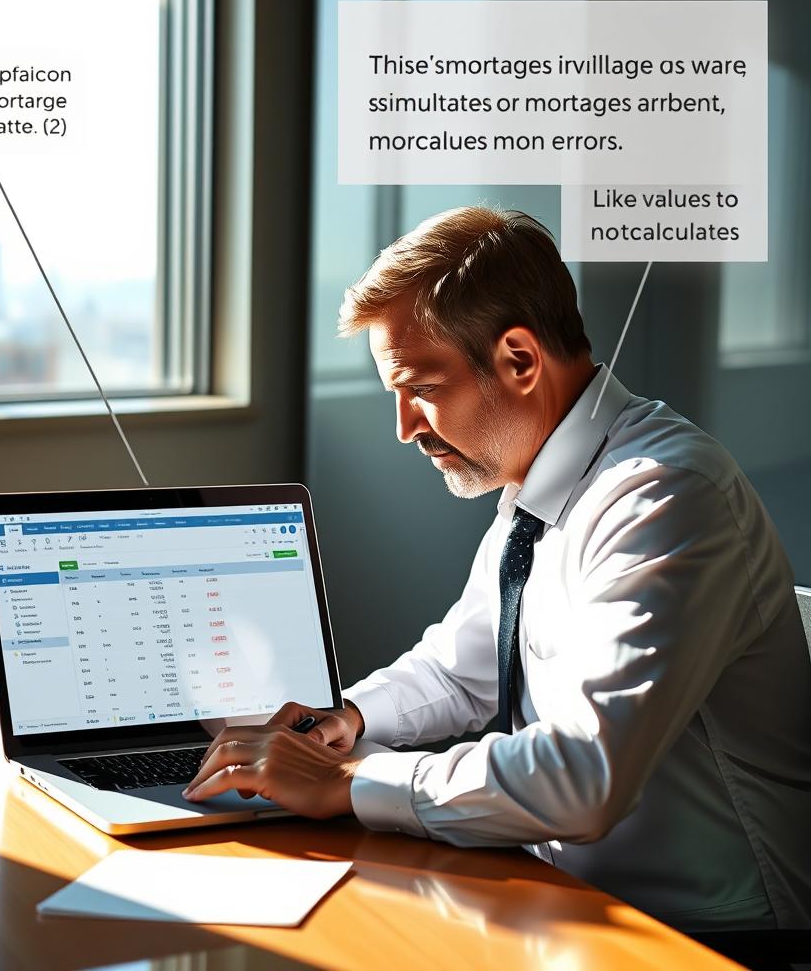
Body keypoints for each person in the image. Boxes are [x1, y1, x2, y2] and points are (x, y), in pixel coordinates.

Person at [184, 206, 811, 933]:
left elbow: (584, 777)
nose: (405, 427)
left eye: (419, 387)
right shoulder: (541, 480)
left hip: (712, 933)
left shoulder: (664, 496)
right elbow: (462, 668)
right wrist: (342, 720)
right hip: (570, 897)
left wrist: (351, 779)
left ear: (519, 359)